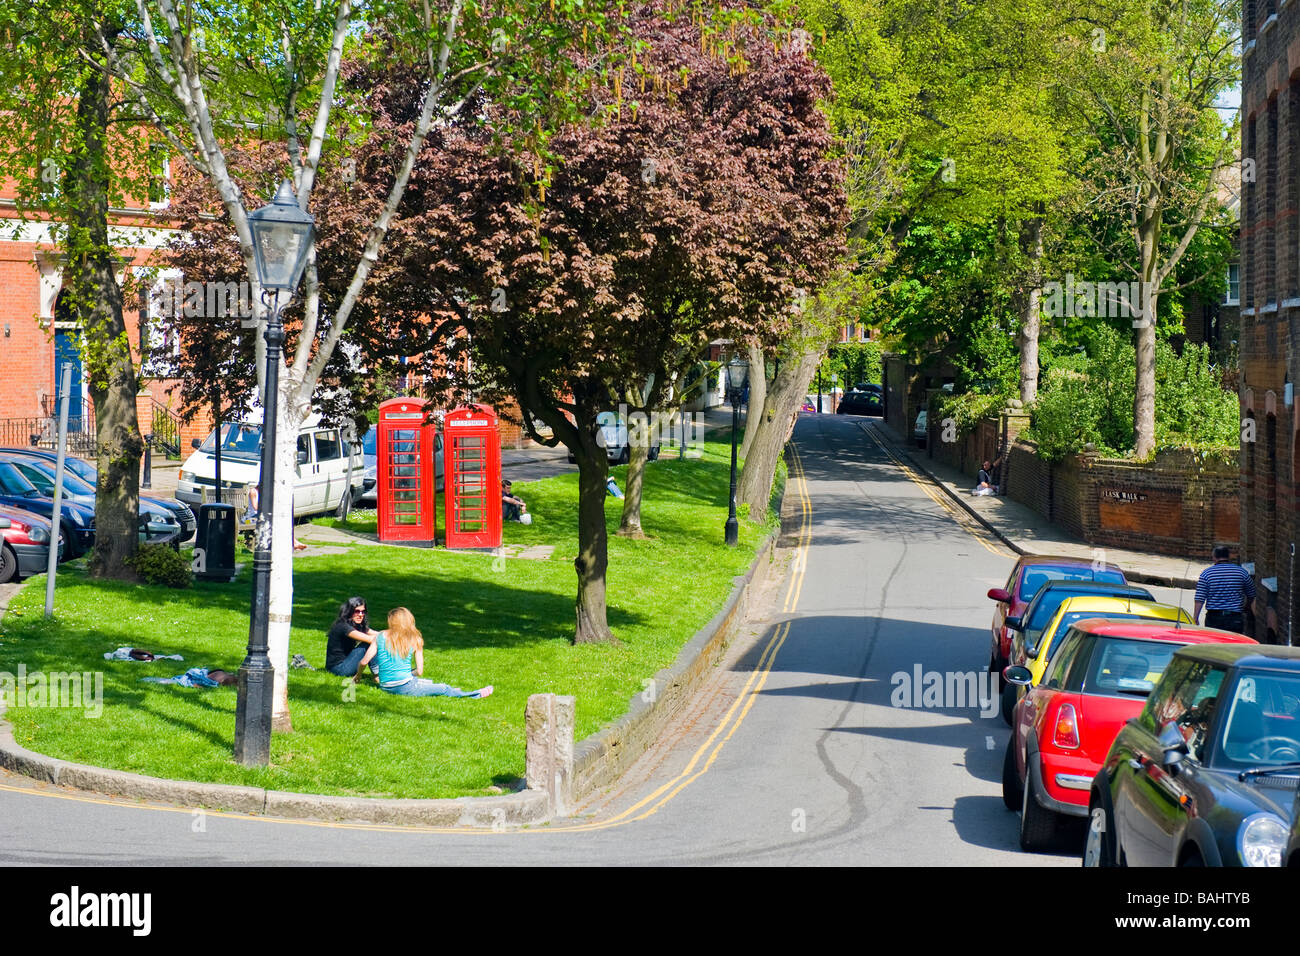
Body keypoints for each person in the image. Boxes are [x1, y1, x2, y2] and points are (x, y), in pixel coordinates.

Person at [358, 607, 493, 698]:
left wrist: (357, 677)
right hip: (404, 686)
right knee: (443, 688)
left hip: (385, 686)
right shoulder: (415, 639)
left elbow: (364, 661)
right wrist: (405, 674)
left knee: (427, 682)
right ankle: (474, 694)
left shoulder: (380, 636)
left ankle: (451, 689)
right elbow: (419, 670)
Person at [1194, 545, 1256, 634]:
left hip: (1214, 618)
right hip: (1235, 618)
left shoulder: (1207, 574)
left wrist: (1195, 618)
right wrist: (1246, 607)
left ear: (1214, 558)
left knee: (1215, 644)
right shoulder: (1241, 572)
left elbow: (1199, 599)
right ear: (1229, 557)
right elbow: (1252, 594)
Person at [325, 596, 380, 678]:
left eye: (363, 612)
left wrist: (397, 635)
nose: (361, 615)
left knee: (374, 642)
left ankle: (381, 673)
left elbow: (377, 634)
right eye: (357, 611)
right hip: (337, 669)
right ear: (349, 612)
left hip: (346, 663)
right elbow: (371, 639)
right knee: (368, 644)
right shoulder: (343, 626)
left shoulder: (357, 625)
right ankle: (377, 676)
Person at [245, 481, 307, 550]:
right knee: (277, 522)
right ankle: (293, 543)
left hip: (262, 516)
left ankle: (294, 542)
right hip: (252, 518)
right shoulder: (253, 491)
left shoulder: (264, 493)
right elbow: (255, 507)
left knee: (282, 521)